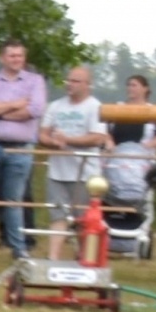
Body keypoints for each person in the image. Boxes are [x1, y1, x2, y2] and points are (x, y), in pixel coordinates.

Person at [0, 41, 46, 258]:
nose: (16, 59)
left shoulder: (35, 81)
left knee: (14, 201)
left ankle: (19, 249)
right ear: (2, 58)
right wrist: (16, 104)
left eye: (20, 56)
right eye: (12, 56)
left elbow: (35, 109)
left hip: (21, 150)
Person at [38, 66, 110, 261]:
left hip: (85, 174)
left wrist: (68, 140)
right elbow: (43, 134)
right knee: (58, 217)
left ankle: (86, 259)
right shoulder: (55, 106)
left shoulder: (95, 107)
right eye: (68, 80)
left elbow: (97, 138)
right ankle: (53, 260)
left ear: (88, 85)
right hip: (57, 173)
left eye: (76, 81)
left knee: (85, 220)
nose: (70, 84)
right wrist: (53, 142)